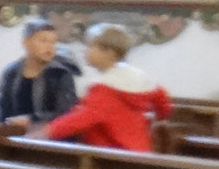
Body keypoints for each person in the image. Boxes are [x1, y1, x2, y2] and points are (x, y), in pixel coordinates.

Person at [33, 22, 172, 152]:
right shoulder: (139, 78)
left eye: (90, 46)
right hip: (138, 152)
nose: (85, 51)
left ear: (109, 52)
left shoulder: (105, 89)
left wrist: (46, 132)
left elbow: (81, 119)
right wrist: (161, 118)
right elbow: (161, 99)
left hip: (112, 157)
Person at [0, 17, 79, 127]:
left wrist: (32, 119)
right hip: (13, 133)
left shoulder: (60, 73)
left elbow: (65, 112)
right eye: (43, 41)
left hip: (47, 137)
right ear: (26, 42)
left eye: (53, 42)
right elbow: (1, 108)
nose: (49, 47)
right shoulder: (11, 72)